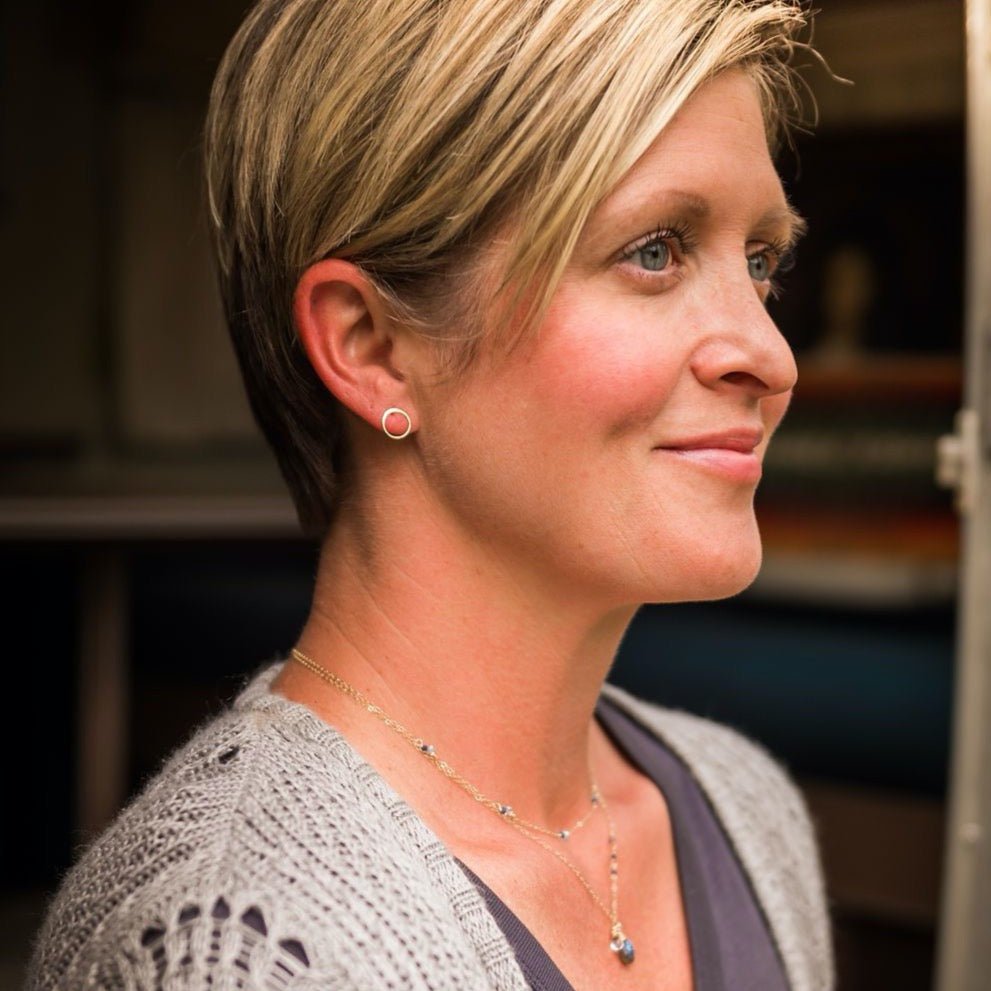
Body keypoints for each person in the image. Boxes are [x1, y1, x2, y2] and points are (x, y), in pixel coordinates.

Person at [28, 0, 833, 988]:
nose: (771, 356)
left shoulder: (745, 810)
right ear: (371, 347)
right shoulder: (236, 948)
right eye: (654, 251)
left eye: (761, 262)